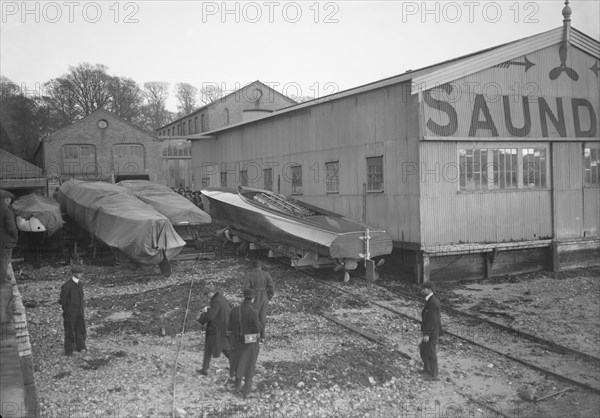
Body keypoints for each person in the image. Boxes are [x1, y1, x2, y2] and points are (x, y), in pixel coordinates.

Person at [228, 288, 261, 399]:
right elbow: (257, 329)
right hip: (250, 341)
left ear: (244, 297)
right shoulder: (254, 312)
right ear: (253, 298)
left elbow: (229, 327)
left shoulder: (234, 310)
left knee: (238, 363)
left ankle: (237, 388)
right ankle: (246, 392)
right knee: (250, 365)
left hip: (237, 340)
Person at [196, 284, 231, 377]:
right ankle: (205, 369)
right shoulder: (220, 298)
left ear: (211, 293)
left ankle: (236, 365)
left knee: (225, 348)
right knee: (208, 347)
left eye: (207, 295)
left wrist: (201, 317)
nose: (207, 297)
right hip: (219, 327)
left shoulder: (216, 301)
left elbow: (211, 315)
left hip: (217, 329)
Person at [59, 264, 87, 355]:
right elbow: (62, 300)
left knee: (80, 329)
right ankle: (69, 350)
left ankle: (80, 347)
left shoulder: (80, 284)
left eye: (81, 273)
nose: (80, 274)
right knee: (69, 331)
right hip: (70, 313)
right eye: (79, 273)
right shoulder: (67, 286)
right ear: (73, 273)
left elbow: (81, 298)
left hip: (79, 312)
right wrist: (68, 310)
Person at [244, 260, 275, 342]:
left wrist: (248, 299)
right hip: (264, 297)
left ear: (253, 267)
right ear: (260, 267)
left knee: (252, 317)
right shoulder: (266, 274)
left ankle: (252, 339)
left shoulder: (250, 275)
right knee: (262, 317)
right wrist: (268, 297)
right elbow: (272, 287)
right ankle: (262, 337)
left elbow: (246, 288)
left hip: (254, 297)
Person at [419, 282, 441, 381]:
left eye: (423, 289)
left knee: (431, 352)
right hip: (429, 331)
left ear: (429, 289)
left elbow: (432, 320)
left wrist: (427, 334)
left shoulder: (433, 302)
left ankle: (434, 374)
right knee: (423, 349)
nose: (422, 291)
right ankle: (427, 369)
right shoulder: (430, 300)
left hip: (431, 332)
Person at [0, 189, 18, 284]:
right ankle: (2, 283)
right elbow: (11, 228)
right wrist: (16, 237)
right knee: (4, 262)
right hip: (6, 242)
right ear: (6, 199)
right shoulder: (7, 211)